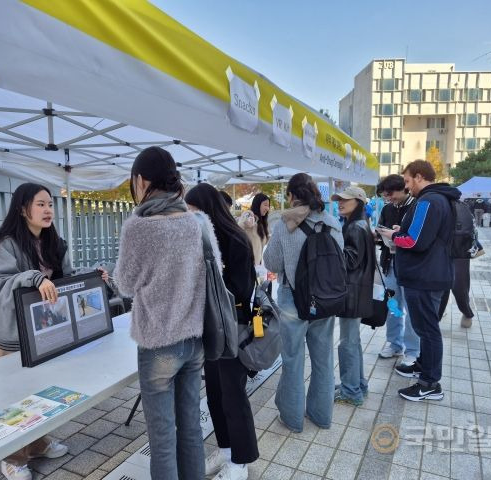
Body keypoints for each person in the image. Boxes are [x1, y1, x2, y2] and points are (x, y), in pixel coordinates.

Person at [0, 183, 108, 480]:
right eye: (40, 204)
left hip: (46, 333)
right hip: (14, 338)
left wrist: (92, 275)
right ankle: (12, 458)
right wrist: (34, 277)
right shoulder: (4, 243)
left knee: (41, 394)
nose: (48, 210)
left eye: (50, 204)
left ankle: (37, 443)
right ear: (22, 208)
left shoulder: (54, 241)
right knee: (14, 398)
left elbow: (64, 279)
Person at [113, 146, 214, 479]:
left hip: (158, 344)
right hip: (195, 340)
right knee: (190, 429)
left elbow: (126, 284)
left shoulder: (139, 226)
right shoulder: (199, 221)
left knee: (162, 439)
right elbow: (214, 273)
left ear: (141, 182)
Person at [185, 183, 258, 480]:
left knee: (233, 394)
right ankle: (226, 450)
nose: (188, 217)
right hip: (212, 328)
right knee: (215, 392)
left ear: (206, 210)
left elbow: (241, 289)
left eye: (192, 211)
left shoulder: (235, 241)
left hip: (234, 327)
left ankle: (241, 461)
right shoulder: (205, 239)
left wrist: (214, 278)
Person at [263, 173, 343, 432]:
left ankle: (292, 418)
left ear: (291, 195)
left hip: (293, 300)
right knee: (323, 360)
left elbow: (272, 264)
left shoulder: (286, 225)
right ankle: (321, 416)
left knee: (293, 360)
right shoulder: (333, 222)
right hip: (326, 300)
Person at [379, 160, 459, 402]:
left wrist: (394, 235)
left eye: (406, 181)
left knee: (428, 330)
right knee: (426, 328)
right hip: (429, 274)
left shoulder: (428, 200)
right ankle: (423, 367)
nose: (406, 186)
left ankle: (429, 383)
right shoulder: (440, 199)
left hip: (424, 276)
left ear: (419, 177)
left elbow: (413, 241)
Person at [334, 186, 375, 406]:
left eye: (345, 200)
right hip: (358, 291)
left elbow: (350, 261)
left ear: (358, 202)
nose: (340, 203)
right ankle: (357, 384)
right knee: (353, 341)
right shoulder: (360, 224)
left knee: (347, 343)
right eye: (339, 199)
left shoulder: (354, 228)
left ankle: (351, 391)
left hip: (352, 292)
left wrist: (332, 245)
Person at [375, 175, 420, 369]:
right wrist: (378, 235)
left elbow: (419, 238)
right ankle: (395, 344)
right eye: (385, 195)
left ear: (404, 188)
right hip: (390, 263)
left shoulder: (417, 207)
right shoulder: (387, 209)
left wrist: (399, 234)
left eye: (391, 193)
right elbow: (380, 232)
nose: (389, 198)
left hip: (411, 267)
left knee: (411, 310)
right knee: (393, 307)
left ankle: (412, 351)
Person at [238, 193, 270, 279]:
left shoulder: (262, 224)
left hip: (258, 268)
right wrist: (246, 221)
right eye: (265, 205)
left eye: (268, 205)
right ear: (258, 204)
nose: (267, 208)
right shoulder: (250, 215)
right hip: (246, 268)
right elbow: (239, 226)